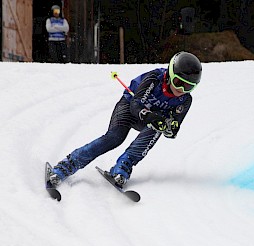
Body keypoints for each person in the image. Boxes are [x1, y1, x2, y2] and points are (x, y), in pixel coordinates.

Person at [49, 51, 202, 187]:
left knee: (158, 128)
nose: (180, 90)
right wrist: (148, 115)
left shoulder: (185, 100)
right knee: (115, 137)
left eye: (188, 87)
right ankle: (67, 165)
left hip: (148, 119)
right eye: (178, 83)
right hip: (128, 107)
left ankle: (123, 165)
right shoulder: (154, 79)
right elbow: (135, 105)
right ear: (170, 74)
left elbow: (174, 128)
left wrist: (171, 128)